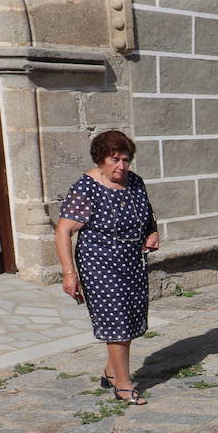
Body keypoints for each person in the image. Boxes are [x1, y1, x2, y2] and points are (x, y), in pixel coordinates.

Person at [52, 130, 159, 405]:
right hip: (99, 264)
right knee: (118, 322)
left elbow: (147, 213)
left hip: (132, 261)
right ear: (100, 159)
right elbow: (63, 232)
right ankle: (123, 385)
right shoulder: (86, 188)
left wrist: (152, 233)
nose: (121, 167)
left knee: (131, 319)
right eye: (115, 160)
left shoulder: (134, 182)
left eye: (126, 160)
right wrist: (68, 273)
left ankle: (111, 371)